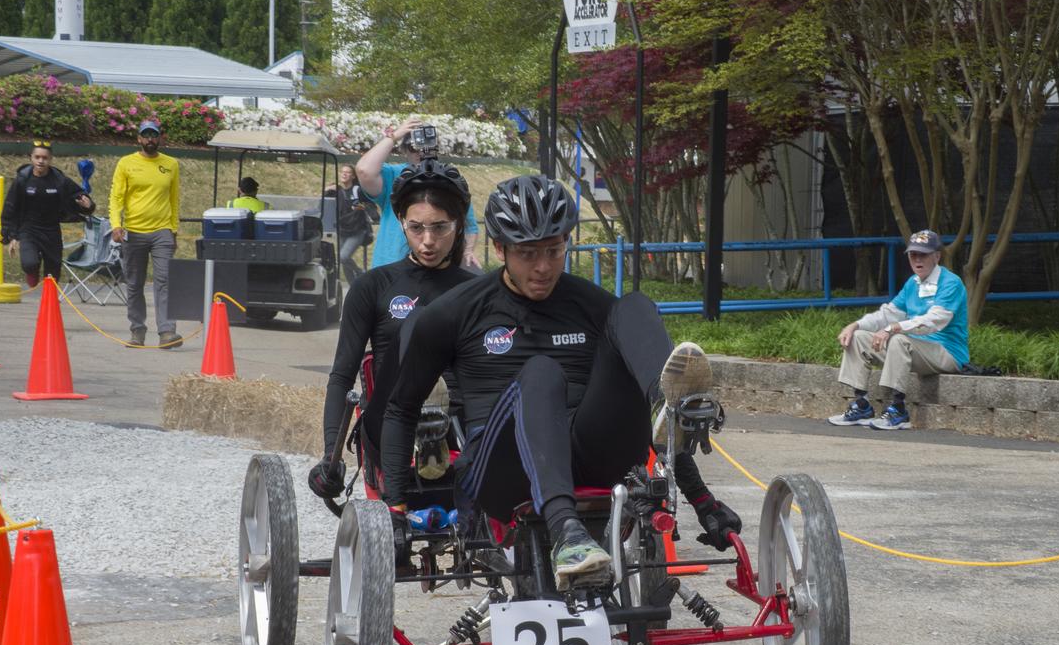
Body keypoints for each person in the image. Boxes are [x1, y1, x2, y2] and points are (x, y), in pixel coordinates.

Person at [380, 175, 741, 590]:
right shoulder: (453, 313)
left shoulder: (588, 304)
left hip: (591, 453)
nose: (543, 267)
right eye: (528, 254)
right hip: (501, 469)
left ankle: (671, 399)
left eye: (554, 251)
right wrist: (395, 510)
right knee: (541, 371)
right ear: (500, 249)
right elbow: (401, 407)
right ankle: (566, 533)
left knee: (634, 307)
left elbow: (643, 424)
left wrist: (702, 499)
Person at [307, 160, 479, 501]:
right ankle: (427, 422)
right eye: (416, 228)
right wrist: (331, 455)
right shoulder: (373, 286)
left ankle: (444, 436)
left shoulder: (478, 289)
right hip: (389, 417)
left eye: (440, 228)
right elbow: (342, 374)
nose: (428, 241)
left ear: (459, 225)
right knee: (419, 324)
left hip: (465, 424)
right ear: (400, 222)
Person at [828, 229, 969, 430]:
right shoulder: (912, 283)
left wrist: (894, 328)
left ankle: (898, 410)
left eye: (924, 254)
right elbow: (888, 314)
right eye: (913, 254)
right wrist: (855, 325)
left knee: (899, 339)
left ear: (937, 256)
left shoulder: (951, 283)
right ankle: (861, 405)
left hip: (947, 352)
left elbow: (934, 321)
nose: (917, 259)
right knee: (858, 338)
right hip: (915, 349)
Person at [355, 117, 481, 270]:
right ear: (404, 150)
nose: (420, 152)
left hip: (438, 271)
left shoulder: (449, 179)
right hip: (391, 268)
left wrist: (467, 252)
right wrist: (394, 136)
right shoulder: (393, 175)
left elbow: (469, 225)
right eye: (414, 147)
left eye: (427, 146)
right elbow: (364, 170)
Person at [110, 120, 182, 349]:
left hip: (162, 231)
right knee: (134, 284)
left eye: (154, 135)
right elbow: (116, 197)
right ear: (138, 139)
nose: (150, 139)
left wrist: (174, 230)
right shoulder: (126, 163)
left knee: (166, 281)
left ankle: (167, 332)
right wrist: (116, 225)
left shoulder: (171, 164)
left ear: (160, 138)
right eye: (145, 135)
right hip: (134, 231)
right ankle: (137, 331)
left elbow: (174, 198)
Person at [0, 139, 95, 287]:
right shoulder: (22, 180)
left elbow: (79, 196)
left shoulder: (59, 180)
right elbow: (10, 208)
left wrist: (87, 205)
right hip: (28, 229)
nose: (41, 161)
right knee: (30, 263)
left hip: (51, 230)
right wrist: (10, 235)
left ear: (50, 160)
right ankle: (33, 271)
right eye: (37, 157)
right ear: (31, 158)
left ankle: (49, 305)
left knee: (52, 275)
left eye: (45, 158)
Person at [326, 164, 376, 283]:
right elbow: (325, 205)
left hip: (357, 230)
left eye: (347, 172)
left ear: (353, 176)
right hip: (343, 230)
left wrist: (362, 207)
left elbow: (371, 206)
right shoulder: (338, 191)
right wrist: (327, 190)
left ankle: (361, 274)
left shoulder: (358, 190)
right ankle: (353, 286)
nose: (344, 174)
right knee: (342, 260)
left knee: (343, 257)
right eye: (342, 172)